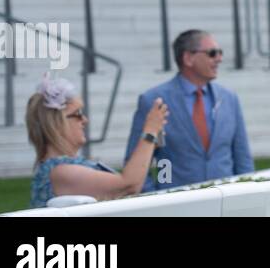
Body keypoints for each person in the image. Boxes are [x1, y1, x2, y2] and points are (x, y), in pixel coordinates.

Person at [124, 29, 254, 190]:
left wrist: (247, 193)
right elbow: (136, 161)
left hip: (226, 203)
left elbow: (243, 159)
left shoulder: (229, 99)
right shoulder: (153, 101)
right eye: (212, 53)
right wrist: (159, 199)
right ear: (188, 58)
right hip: (177, 207)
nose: (219, 58)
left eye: (220, 52)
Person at [28, 74, 169, 208]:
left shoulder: (60, 169)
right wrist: (150, 131)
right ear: (56, 123)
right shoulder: (60, 172)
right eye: (77, 114)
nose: (84, 120)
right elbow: (129, 185)